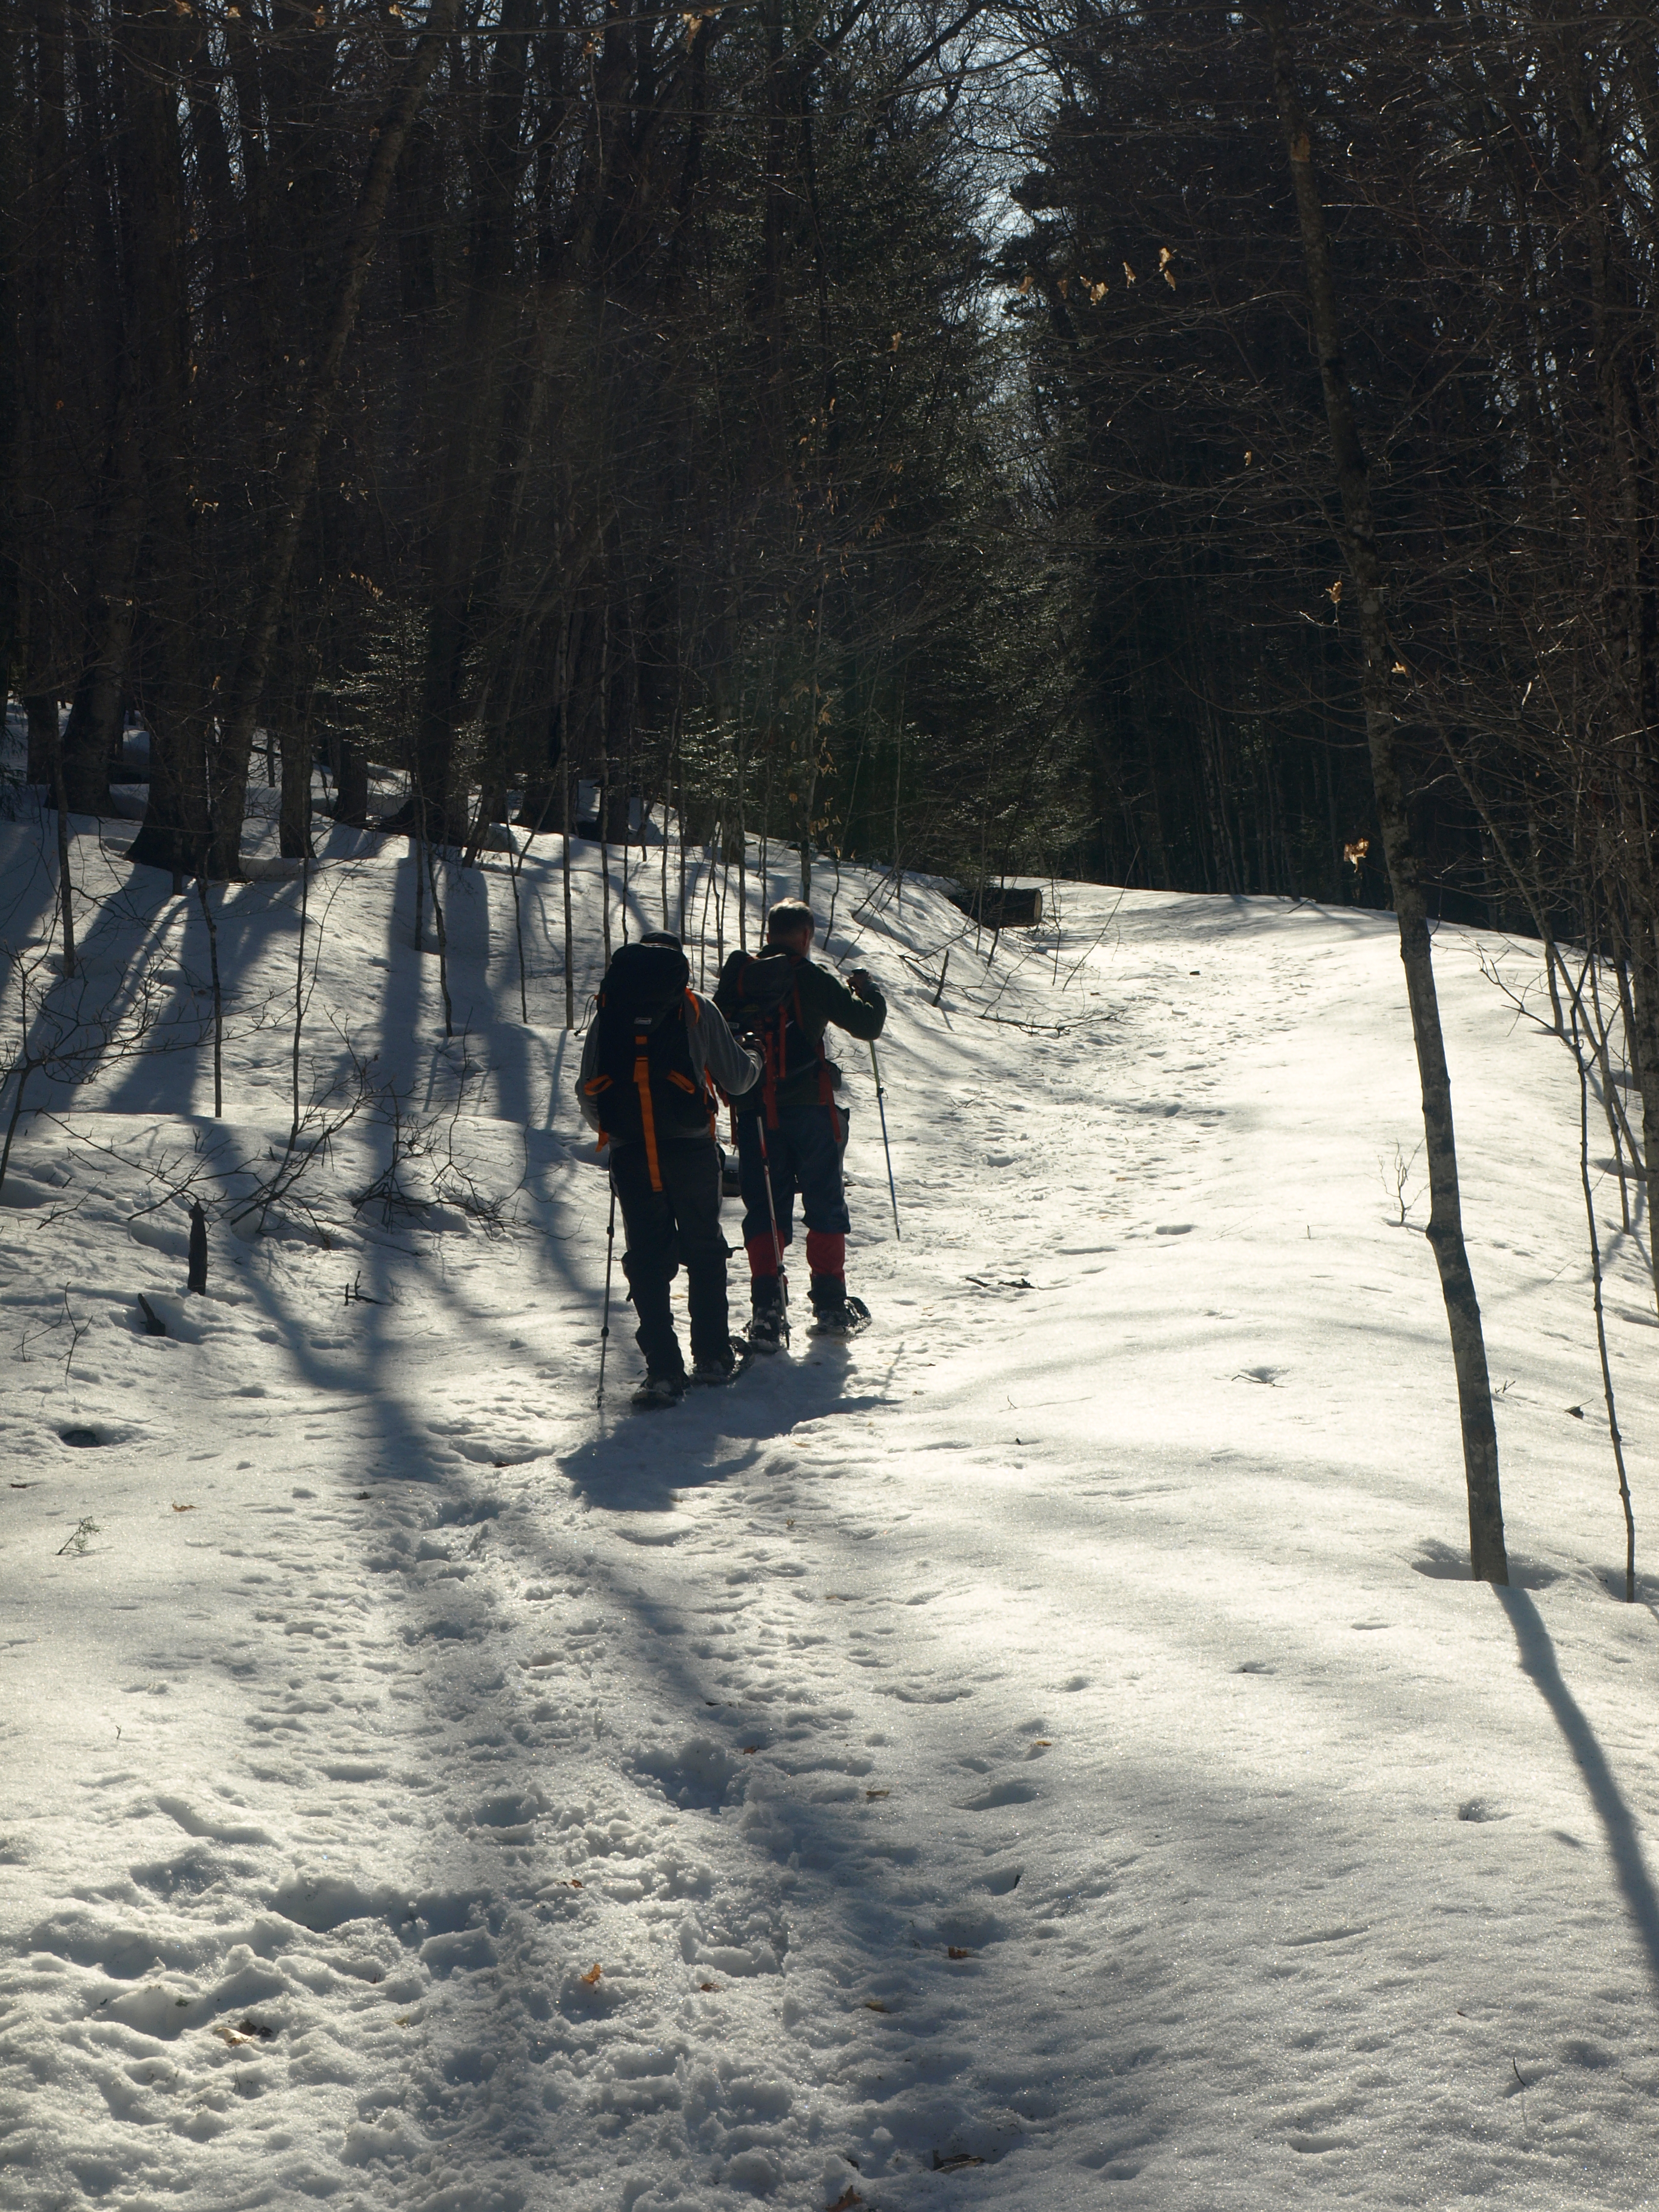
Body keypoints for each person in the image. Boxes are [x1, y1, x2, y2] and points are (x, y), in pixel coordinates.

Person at [577, 931, 761, 1409]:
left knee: (646, 1256)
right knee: (703, 1248)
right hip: (693, 1150)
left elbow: (588, 1089)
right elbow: (738, 1079)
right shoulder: (695, 1007)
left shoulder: (610, 1010)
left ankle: (663, 1370)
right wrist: (756, 1056)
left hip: (633, 1153)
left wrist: (617, 1132)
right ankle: (713, 1358)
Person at [714, 897, 887, 1344]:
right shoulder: (810, 978)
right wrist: (870, 994)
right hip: (810, 1110)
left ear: (768, 932)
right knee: (825, 1201)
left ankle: (768, 1311)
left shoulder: (741, 980)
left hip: (755, 1114)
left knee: (766, 1209)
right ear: (806, 936)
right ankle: (830, 1305)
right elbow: (867, 1026)